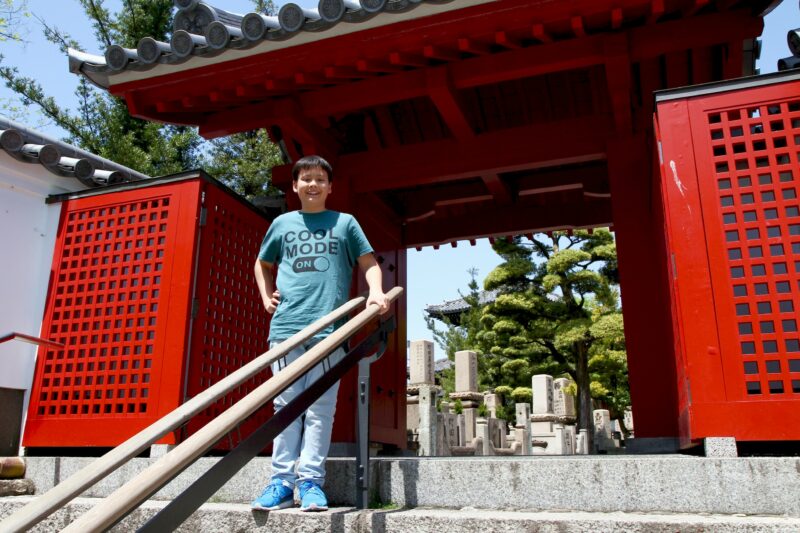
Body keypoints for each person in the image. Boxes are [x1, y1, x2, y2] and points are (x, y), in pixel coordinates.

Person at [251, 155, 389, 512]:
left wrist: (375, 292)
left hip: (330, 330)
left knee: (320, 410)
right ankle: (280, 483)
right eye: (306, 179)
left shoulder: (345, 223)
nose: (313, 184)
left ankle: (310, 481)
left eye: (320, 179)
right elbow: (263, 263)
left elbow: (369, 263)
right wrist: (267, 297)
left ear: (330, 186)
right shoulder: (282, 224)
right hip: (286, 330)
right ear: (294, 186)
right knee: (285, 407)